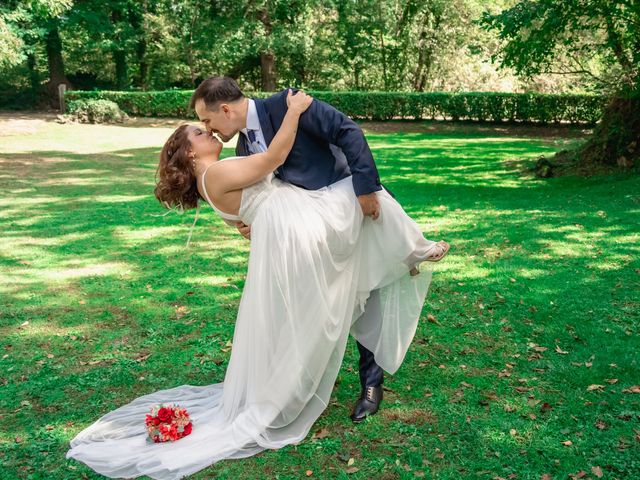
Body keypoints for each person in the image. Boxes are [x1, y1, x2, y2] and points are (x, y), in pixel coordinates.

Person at [65, 90, 448, 479]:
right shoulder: (216, 171)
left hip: (284, 227)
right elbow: (273, 160)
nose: (209, 131)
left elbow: (246, 204)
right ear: (191, 153)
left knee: (355, 219)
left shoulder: (217, 170)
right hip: (294, 228)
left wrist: (245, 223)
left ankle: (408, 254)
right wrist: (295, 113)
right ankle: (415, 249)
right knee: (355, 204)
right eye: (201, 131)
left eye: (207, 123)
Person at [190, 76, 449, 422]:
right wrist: (246, 221)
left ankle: (371, 384)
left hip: (345, 206)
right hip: (306, 232)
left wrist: (364, 188)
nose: (209, 128)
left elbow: (348, 132)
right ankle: (294, 380)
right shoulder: (241, 150)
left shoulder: (287, 104)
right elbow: (261, 190)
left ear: (224, 109)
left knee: (368, 289)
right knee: (323, 304)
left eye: (207, 121)